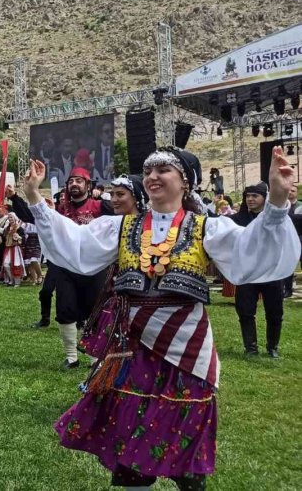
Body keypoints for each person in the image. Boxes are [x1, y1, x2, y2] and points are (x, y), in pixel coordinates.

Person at [23, 146, 299, 490]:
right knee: (130, 436)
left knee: (185, 438)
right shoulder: (121, 227)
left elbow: (252, 253)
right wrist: (34, 196)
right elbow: (76, 244)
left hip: (187, 349)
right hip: (134, 349)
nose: (153, 177)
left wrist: (275, 201)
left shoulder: (207, 228)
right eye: (149, 171)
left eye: (163, 170)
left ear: (186, 183)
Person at [46, 166, 113, 369]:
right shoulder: (60, 210)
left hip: (95, 267)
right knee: (65, 309)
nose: (74, 184)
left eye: (79, 181)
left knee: (96, 311)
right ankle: (71, 357)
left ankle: (95, 357)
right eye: (71, 181)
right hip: (67, 268)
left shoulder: (101, 207)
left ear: (88, 185)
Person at [79, 174, 147, 362]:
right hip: (115, 289)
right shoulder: (110, 224)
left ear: (136, 197)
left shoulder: (151, 225)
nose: (114, 199)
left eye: (120, 194)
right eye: (113, 194)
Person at [229, 182, 286, 358]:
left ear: (264, 198)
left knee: (275, 312)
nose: (250, 199)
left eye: (255, 196)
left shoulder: (273, 218)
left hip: (272, 272)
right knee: (245, 310)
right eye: (248, 196)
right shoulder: (237, 220)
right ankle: (251, 348)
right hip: (248, 272)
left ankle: (272, 347)